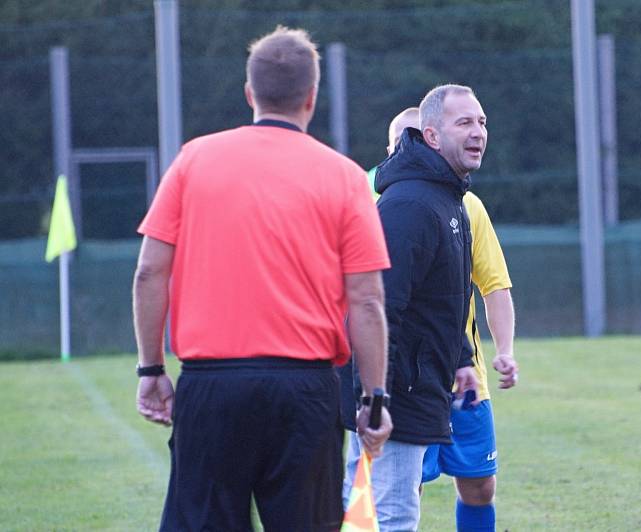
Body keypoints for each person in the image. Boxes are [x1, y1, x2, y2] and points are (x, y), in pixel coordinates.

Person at [132, 26, 392, 532]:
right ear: (311, 98)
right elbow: (367, 301)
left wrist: (150, 370)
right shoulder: (342, 175)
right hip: (304, 390)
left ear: (250, 93)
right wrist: (373, 399)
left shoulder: (194, 160)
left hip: (212, 387)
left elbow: (149, 271)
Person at [343, 84, 486, 531]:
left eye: (481, 122)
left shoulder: (448, 198)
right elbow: (380, 305)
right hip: (396, 390)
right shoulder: (410, 205)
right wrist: (376, 396)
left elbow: (442, 298)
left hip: (418, 384)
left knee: (374, 510)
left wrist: (462, 359)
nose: (478, 132)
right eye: (463, 122)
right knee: (391, 515)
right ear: (431, 136)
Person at [379, 106, 519, 531]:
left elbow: (492, 285)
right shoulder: (386, 204)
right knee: (402, 488)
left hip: (461, 374)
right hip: (404, 380)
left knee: (479, 485)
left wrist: (502, 351)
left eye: (483, 122)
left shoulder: (466, 204)